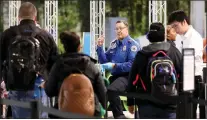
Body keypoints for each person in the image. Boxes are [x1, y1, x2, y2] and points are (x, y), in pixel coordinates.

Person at [0, 2, 58, 118]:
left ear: (18, 17)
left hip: (15, 87)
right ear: (35, 17)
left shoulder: (7, 35)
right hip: (39, 86)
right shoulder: (45, 36)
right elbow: (55, 64)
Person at [44, 31, 106, 117]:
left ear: (65, 47)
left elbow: (50, 91)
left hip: (63, 113)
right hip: (90, 113)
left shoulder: (58, 65)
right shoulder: (90, 65)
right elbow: (102, 92)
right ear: (79, 47)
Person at [127, 22, 182, 119]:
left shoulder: (142, 54)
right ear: (164, 35)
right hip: (169, 103)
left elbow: (133, 79)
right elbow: (181, 75)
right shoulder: (174, 51)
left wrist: (130, 101)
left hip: (146, 103)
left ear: (149, 36)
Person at [96, 20, 141, 118]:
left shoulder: (132, 45)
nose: (118, 31)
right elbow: (104, 61)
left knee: (112, 90)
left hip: (128, 76)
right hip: (115, 77)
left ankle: (120, 117)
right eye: (116, 29)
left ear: (127, 29)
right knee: (101, 91)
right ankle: (101, 117)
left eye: (121, 28)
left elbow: (131, 65)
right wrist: (99, 47)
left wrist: (114, 65)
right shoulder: (114, 44)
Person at [168, 10, 204, 119]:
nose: (174, 29)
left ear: (184, 22)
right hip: (182, 77)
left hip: (193, 79)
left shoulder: (194, 37)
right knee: (181, 112)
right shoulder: (180, 37)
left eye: (176, 25)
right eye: (172, 26)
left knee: (189, 112)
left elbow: (190, 61)